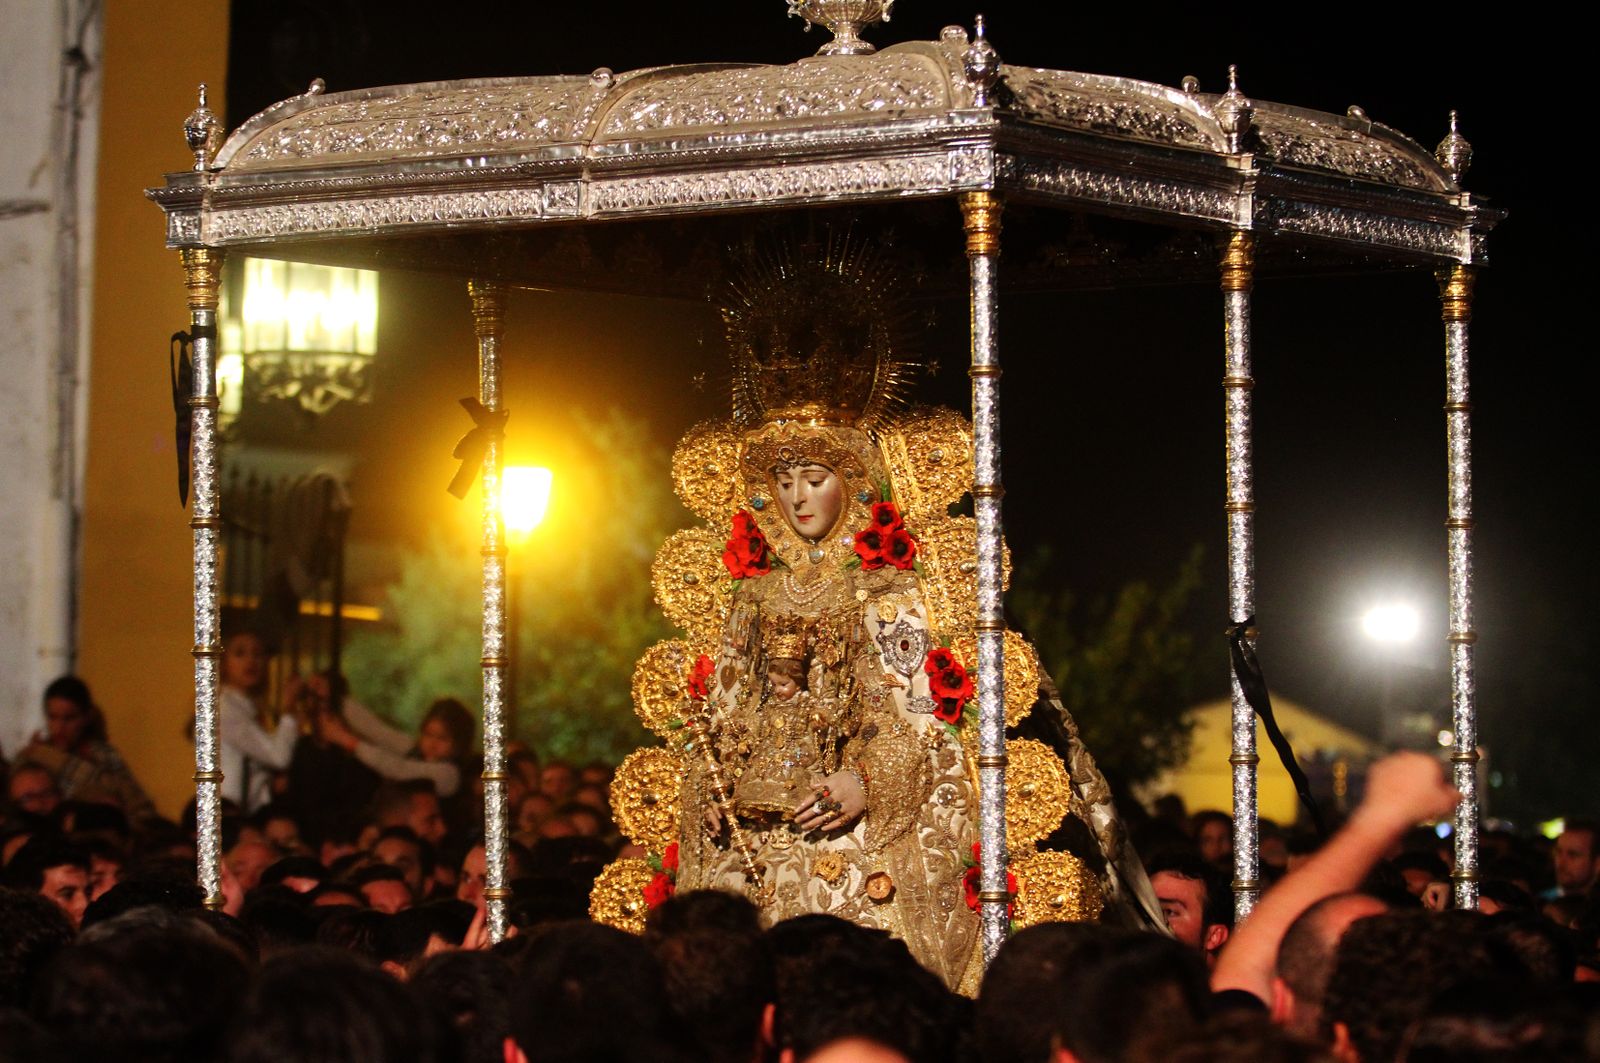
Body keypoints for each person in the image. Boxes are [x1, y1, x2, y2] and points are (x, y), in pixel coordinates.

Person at [15, 676, 157, 824]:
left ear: (86, 717)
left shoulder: (103, 755)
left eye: (69, 718)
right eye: (53, 717)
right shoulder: (33, 756)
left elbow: (138, 806)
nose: (59, 728)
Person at [310, 688, 472, 800]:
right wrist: (334, 697)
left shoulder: (449, 774)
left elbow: (398, 769)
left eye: (442, 738)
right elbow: (377, 730)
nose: (432, 743)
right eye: (428, 734)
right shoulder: (415, 751)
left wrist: (345, 740)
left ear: (458, 745)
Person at [218, 627, 302, 812]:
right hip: (232, 815)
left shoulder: (247, 708)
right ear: (224, 663)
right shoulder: (227, 710)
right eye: (240, 653)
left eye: (257, 654)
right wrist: (289, 709)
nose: (251, 661)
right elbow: (279, 757)